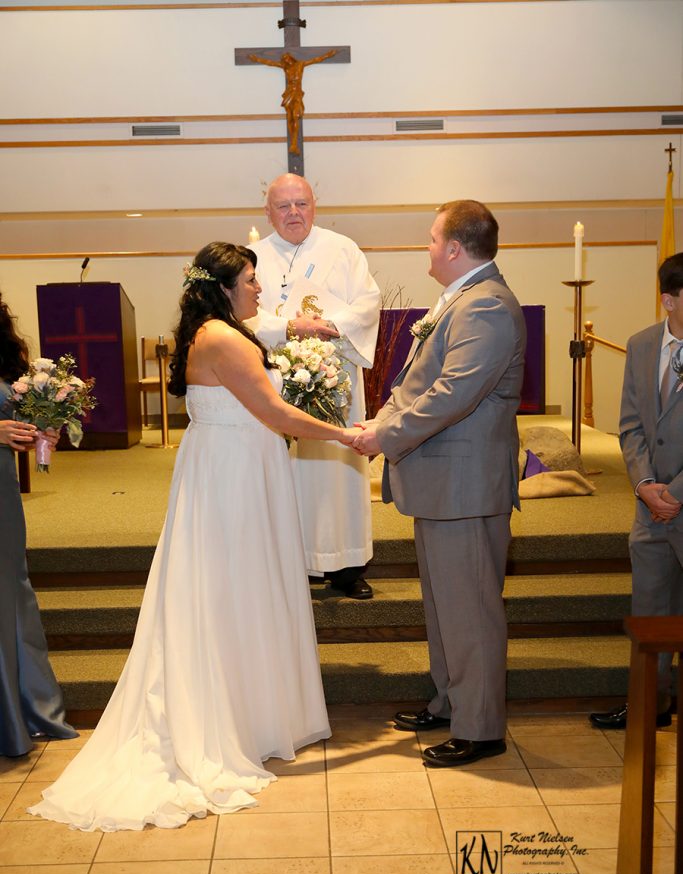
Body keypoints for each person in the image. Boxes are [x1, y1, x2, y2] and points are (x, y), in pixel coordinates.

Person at [29, 242, 360, 830]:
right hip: (233, 475)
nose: (260, 288)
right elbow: (278, 416)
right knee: (231, 586)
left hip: (234, 464)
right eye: (253, 279)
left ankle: (251, 712)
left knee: (237, 587)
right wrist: (346, 436)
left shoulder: (217, 330)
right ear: (226, 284)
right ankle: (229, 718)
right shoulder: (225, 340)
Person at [353, 201, 526, 767]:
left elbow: (454, 393)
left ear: (455, 249)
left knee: (471, 610)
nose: (426, 248)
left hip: (464, 486)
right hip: (442, 482)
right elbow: (420, 384)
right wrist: (382, 419)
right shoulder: (464, 301)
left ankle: (481, 728)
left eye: (431, 240)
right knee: (445, 605)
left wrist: (386, 435)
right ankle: (451, 701)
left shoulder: (488, 307)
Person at [247, 173, 380, 599]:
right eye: (283, 206)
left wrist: (330, 327)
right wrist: (289, 326)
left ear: (315, 205)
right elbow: (243, 315)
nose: (293, 213)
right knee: (288, 471)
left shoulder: (343, 250)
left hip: (335, 376)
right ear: (267, 212)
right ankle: (293, 566)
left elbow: (368, 303)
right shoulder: (252, 256)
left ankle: (348, 566)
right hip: (278, 380)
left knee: (338, 469)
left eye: (301, 204)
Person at [590, 252, 683, 730]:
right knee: (649, 610)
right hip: (649, 511)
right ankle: (651, 703)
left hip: (679, 503)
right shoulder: (642, 345)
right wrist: (646, 486)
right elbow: (630, 425)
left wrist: (677, 492)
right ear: (668, 300)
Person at [0, 293, 77, 757]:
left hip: (1, 491)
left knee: (12, 591)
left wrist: (37, 428)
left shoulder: (6, 346)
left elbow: (14, 416)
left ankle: (26, 708)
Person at [248, 50, 337, 156]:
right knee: (290, 118)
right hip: (289, 93)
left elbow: (315, 60)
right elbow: (270, 63)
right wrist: (257, 59)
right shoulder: (285, 68)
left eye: (287, 58)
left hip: (297, 94)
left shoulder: (300, 65)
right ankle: (293, 144)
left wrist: (328, 55)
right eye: (284, 60)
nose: (286, 61)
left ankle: (294, 144)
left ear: (291, 58)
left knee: (295, 116)